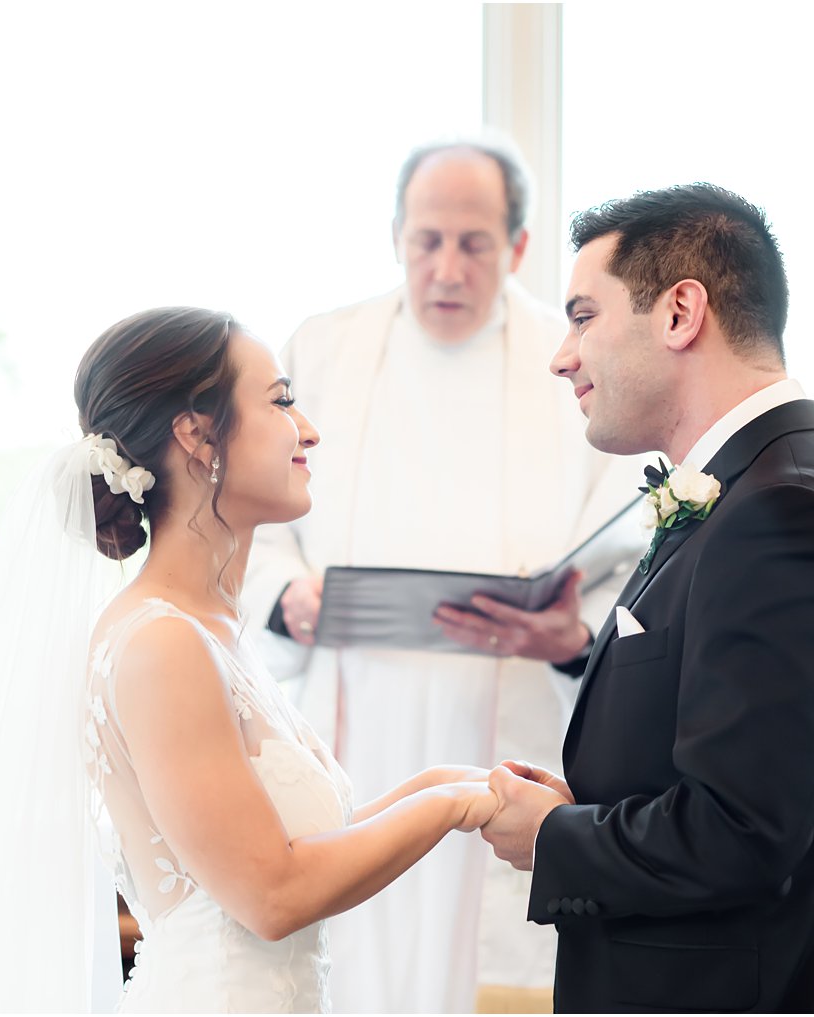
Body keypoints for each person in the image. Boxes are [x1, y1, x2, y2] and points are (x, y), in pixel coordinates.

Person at [0, 307, 500, 1013]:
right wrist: (453, 806)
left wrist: (447, 780)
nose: (310, 429)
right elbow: (271, 893)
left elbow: (299, 846)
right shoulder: (161, 643)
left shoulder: (217, 630)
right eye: (283, 401)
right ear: (197, 436)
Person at [479, 184, 814, 1013]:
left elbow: (742, 833)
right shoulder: (750, 490)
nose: (561, 354)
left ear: (681, 312)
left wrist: (552, 835)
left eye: (582, 316)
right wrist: (587, 802)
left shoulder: (786, 513)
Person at [243, 138, 640, 1012]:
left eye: (475, 242)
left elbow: (627, 547)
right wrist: (287, 597)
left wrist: (571, 633)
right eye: (428, 240)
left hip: (511, 727)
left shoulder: (573, 359)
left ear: (520, 248)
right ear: (395, 237)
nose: (448, 267)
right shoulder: (322, 346)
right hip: (351, 719)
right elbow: (245, 517)